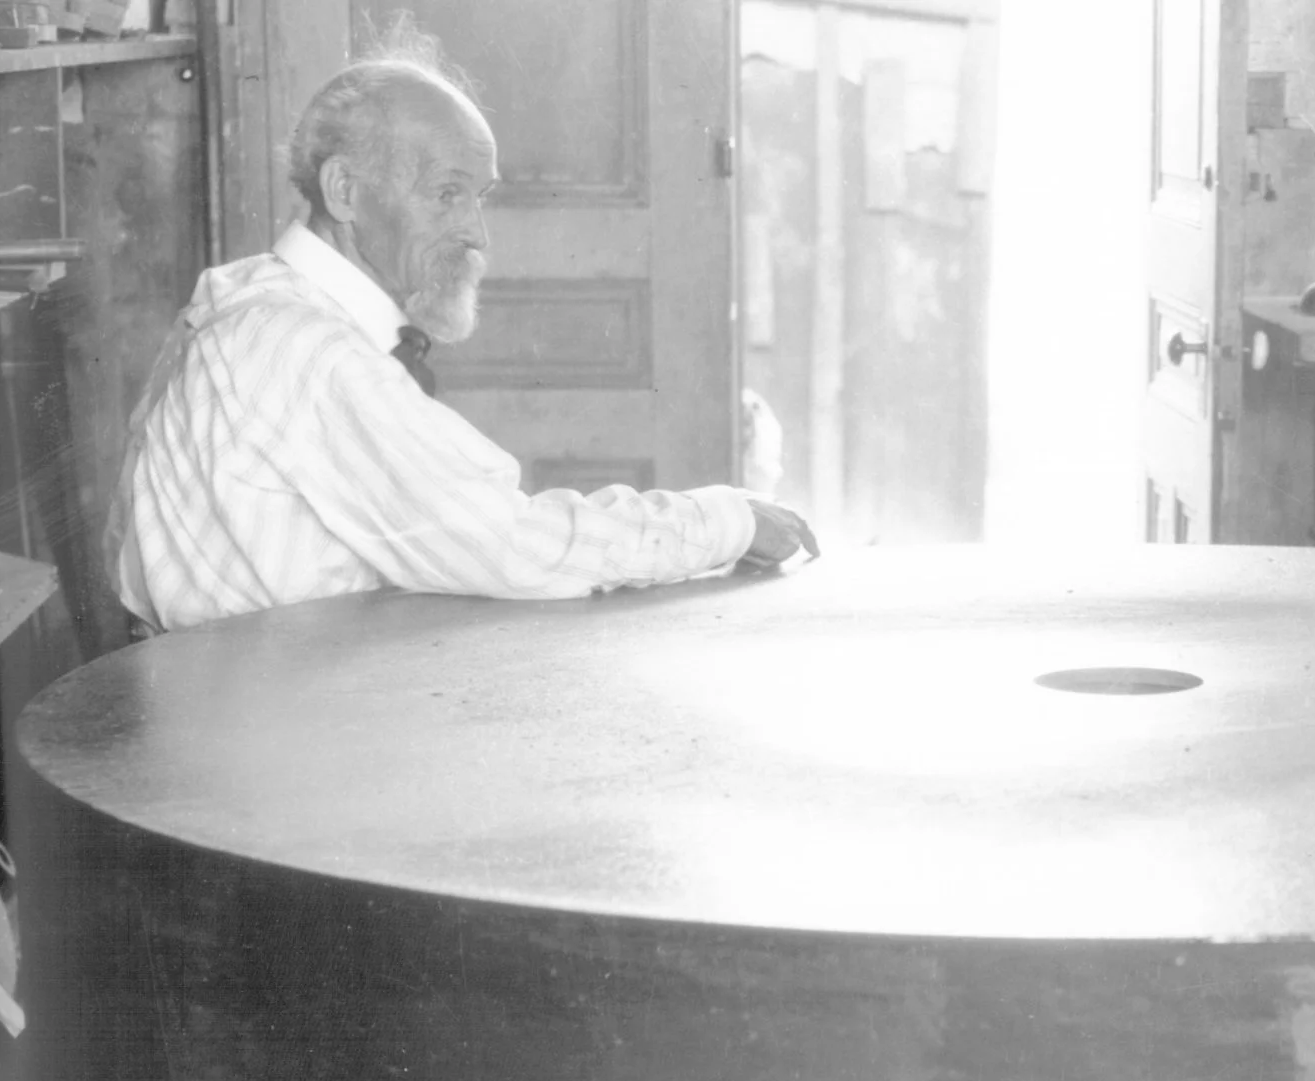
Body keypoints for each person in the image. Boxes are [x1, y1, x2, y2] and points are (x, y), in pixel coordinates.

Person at [109, 37, 813, 634]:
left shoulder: (250, 293)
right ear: (345, 191)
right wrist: (725, 520)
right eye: (447, 194)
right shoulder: (305, 351)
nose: (476, 234)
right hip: (260, 746)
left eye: (480, 198)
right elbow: (515, 547)